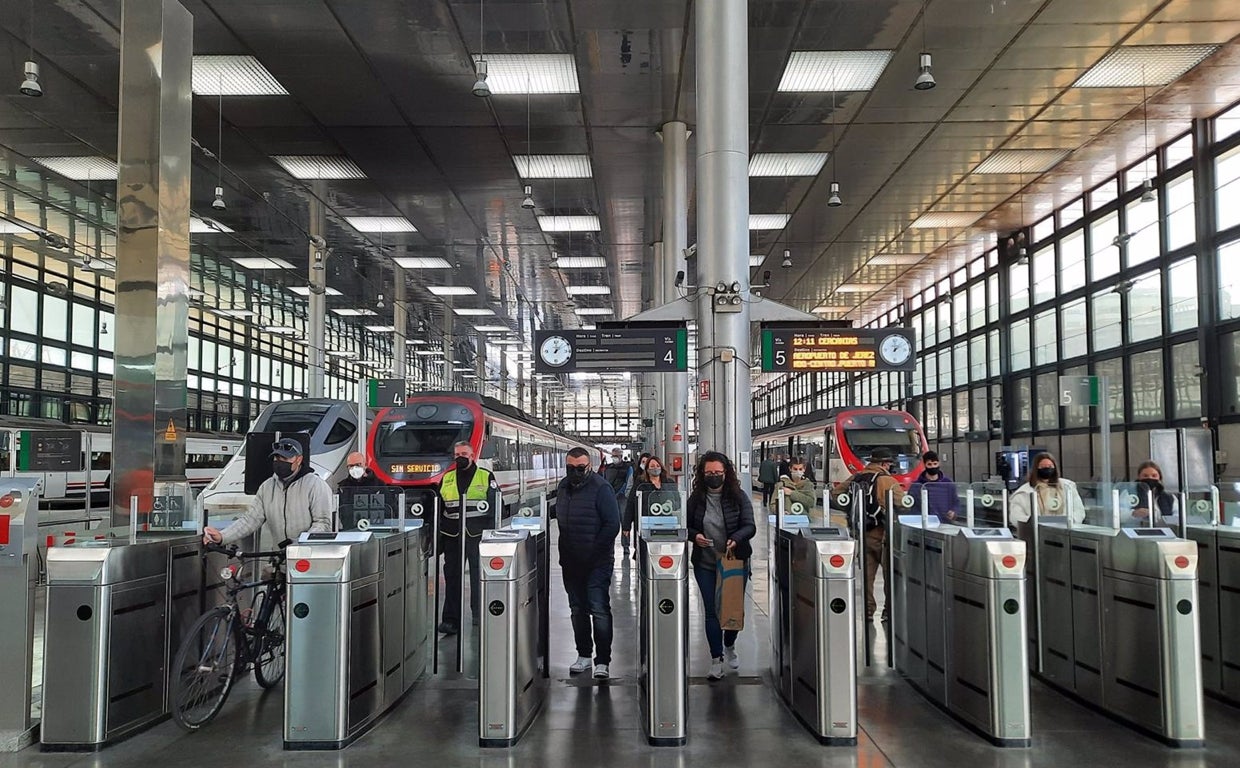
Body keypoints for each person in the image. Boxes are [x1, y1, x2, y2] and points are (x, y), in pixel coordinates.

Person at [686, 451, 756, 680]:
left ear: (726, 473)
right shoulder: (696, 499)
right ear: (702, 474)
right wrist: (695, 536)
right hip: (705, 562)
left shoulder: (739, 497)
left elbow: (750, 525)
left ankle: (730, 644)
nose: (713, 476)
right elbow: (686, 526)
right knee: (711, 611)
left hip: (734, 560)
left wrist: (736, 538)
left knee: (732, 607)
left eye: (718, 472)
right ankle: (716, 658)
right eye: (709, 473)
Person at [557, 446, 620, 679]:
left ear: (589, 466)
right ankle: (583, 654)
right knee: (577, 609)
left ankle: (602, 660)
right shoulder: (564, 487)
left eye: (580, 468)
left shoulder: (601, 488)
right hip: (570, 561)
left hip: (597, 562)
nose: (575, 471)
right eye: (570, 468)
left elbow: (612, 524)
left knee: (599, 608)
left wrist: (593, 552)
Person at [203, 439, 332, 546]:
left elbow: (322, 523)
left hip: (306, 559)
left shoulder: (315, 485)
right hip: (279, 559)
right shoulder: (267, 487)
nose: (279, 462)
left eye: (285, 458)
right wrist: (222, 536)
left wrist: (300, 545)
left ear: (299, 460)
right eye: (276, 458)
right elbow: (250, 520)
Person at [435, 440, 501, 635]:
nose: (460, 457)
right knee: (452, 577)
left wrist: (492, 535)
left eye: (464, 454)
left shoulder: (485, 476)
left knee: (477, 577)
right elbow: (439, 506)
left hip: (477, 535)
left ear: (472, 456)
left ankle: (478, 615)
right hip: (452, 535)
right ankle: (450, 620)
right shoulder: (446, 478)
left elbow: (496, 503)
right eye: (456, 455)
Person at [834, 447, 905, 623]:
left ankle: (867, 611)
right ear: (883, 463)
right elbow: (903, 503)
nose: (890, 466)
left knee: (867, 577)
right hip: (883, 535)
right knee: (889, 575)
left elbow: (836, 494)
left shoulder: (856, 478)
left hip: (863, 533)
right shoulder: (887, 481)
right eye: (889, 463)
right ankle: (888, 611)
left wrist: (851, 509)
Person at [1009, 452, 1085, 539]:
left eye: (1050, 466)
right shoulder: (1023, 492)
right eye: (1043, 467)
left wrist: (1070, 521)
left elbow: (1079, 510)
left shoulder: (1068, 487)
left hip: (1063, 535)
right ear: (1036, 469)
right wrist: (1035, 523)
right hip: (1035, 536)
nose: (1047, 469)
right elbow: (1016, 517)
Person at [625, 456, 679, 558]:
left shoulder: (669, 483)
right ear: (647, 469)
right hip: (645, 524)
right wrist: (626, 526)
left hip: (666, 525)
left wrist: (672, 504)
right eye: (652, 466)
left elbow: (678, 501)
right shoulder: (640, 483)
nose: (655, 468)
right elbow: (631, 503)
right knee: (645, 554)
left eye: (658, 466)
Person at [911, 450, 960, 523]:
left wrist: (954, 511)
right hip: (924, 523)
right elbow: (913, 507)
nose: (933, 466)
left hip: (945, 523)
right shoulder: (916, 485)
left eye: (935, 464)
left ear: (939, 464)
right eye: (929, 464)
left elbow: (956, 502)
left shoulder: (948, 484)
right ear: (924, 465)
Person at [1131, 460, 1179, 525]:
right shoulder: (1130, 493)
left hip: (1165, 531)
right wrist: (1133, 513)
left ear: (1159, 477)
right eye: (1145, 476)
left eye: (1154, 476)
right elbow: (1119, 513)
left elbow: (1178, 516)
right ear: (1139, 477)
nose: (1150, 478)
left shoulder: (1169, 497)